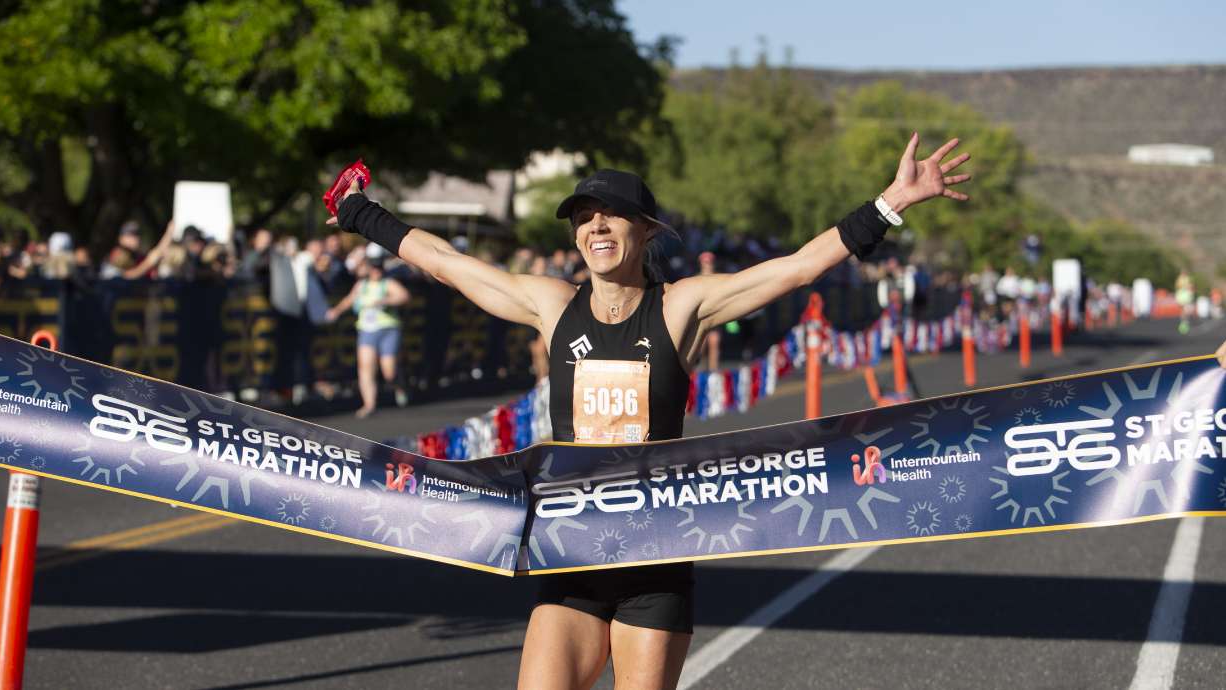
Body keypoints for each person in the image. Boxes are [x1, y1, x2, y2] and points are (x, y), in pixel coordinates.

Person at [329, 132, 970, 689]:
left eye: (613, 216)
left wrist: (891, 204)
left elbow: (796, 269)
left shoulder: (679, 307)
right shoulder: (552, 305)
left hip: (656, 553)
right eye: (584, 218)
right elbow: (448, 265)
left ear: (646, 230)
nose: (597, 228)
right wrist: (361, 213)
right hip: (572, 554)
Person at [326, 254, 411, 417]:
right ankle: (369, 404)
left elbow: (404, 296)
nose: (376, 272)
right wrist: (336, 311)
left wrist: (385, 301)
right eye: (374, 268)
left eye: (379, 268)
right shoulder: (362, 285)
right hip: (366, 330)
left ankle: (399, 385)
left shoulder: (388, 284)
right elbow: (350, 299)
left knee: (389, 371)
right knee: (365, 367)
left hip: (387, 329)